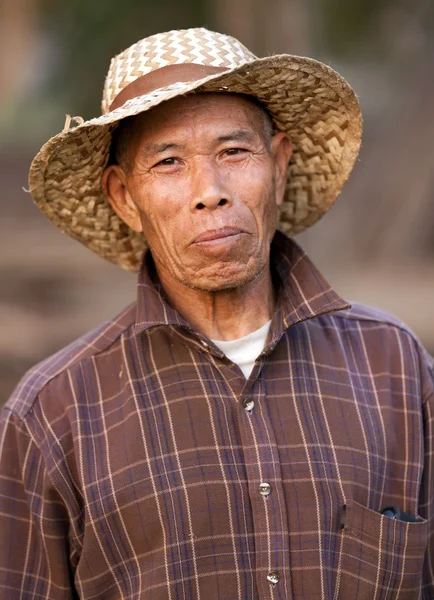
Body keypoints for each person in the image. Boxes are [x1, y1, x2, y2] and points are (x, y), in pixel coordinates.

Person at [0, 27, 433, 600]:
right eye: (169, 162)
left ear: (278, 164)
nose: (210, 190)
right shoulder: (51, 414)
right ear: (124, 197)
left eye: (234, 151)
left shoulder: (396, 367)